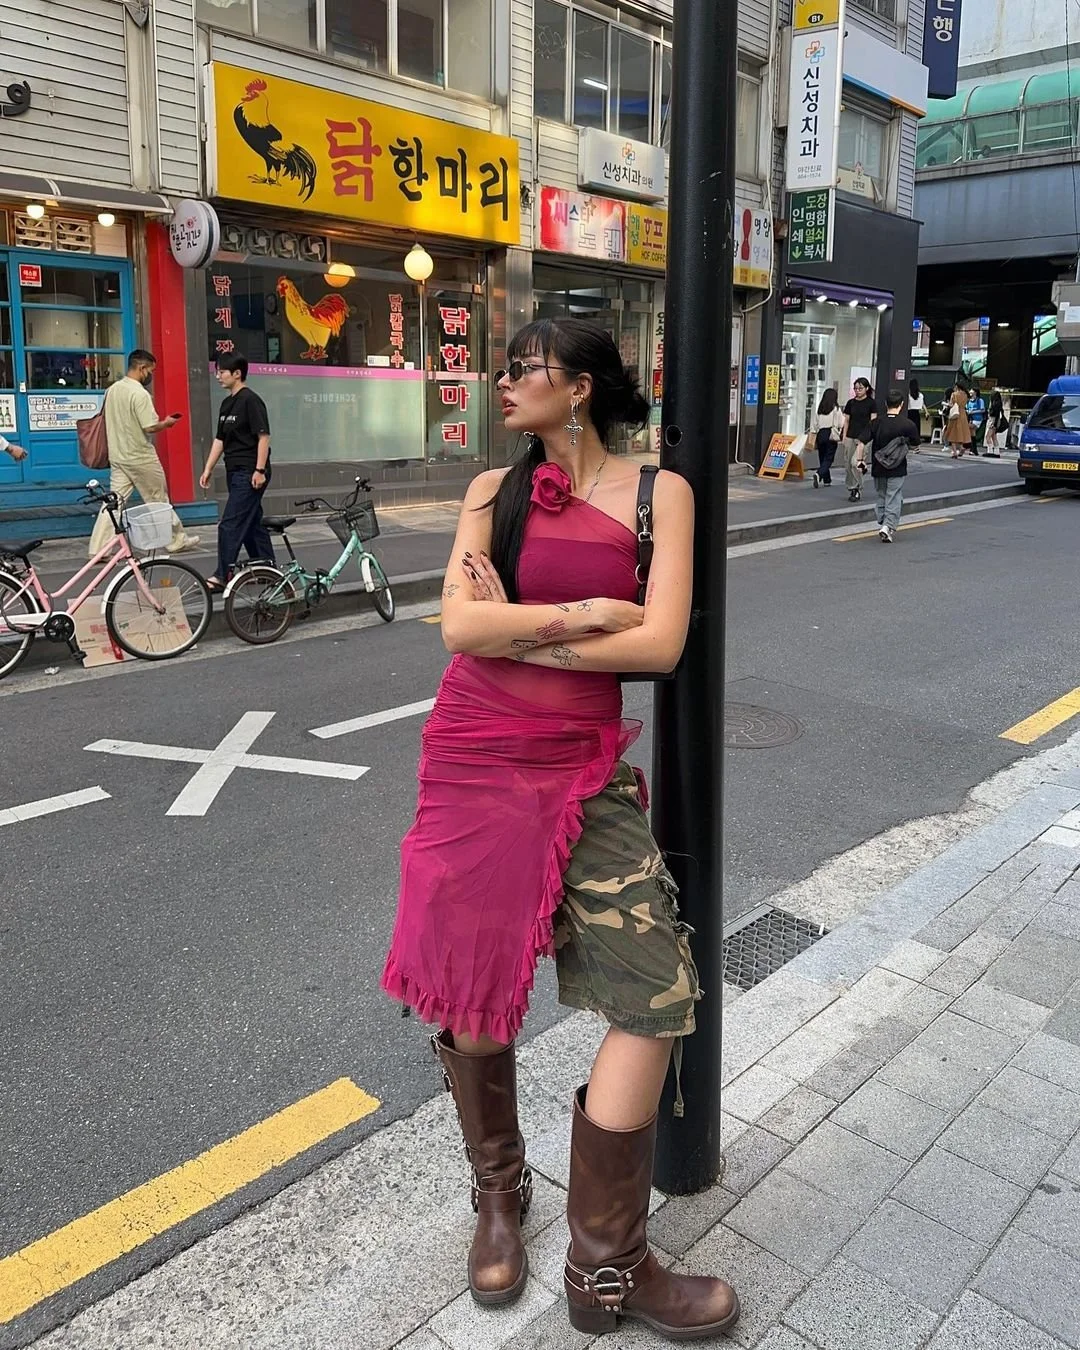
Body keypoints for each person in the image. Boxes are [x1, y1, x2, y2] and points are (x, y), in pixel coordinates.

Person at [381, 317, 739, 1338]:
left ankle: (605, 1261)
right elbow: (459, 628)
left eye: (523, 369)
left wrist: (521, 633)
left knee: (659, 992)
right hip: (473, 759)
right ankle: (499, 1196)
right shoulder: (490, 493)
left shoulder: (659, 495)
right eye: (502, 370)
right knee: (472, 989)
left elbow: (660, 646)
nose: (502, 383)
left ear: (579, 386)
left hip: (582, 771)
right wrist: (588, 614)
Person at [87, 350, 199, 558]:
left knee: (113, 503)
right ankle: (176, 540)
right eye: (150, 371)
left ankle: (99, 549)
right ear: (141, 368)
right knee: (158, 499)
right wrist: (167, 423)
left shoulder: (112, 390)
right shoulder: (139, 394)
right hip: (140, 457)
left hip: (118, 456)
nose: (151, 375)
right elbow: (150, 426)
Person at [200, 355, 275, 593]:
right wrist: (208, 468)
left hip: (250, 471)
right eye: (217, 371)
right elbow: (220, 439)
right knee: (252, 523)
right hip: (234, 470)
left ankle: (222, 575)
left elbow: (263, 437)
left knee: (229, 524)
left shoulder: (251, 400)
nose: (218, 376)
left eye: (222, 372)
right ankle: (268, 571)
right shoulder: (226, 404)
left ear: (237, 374)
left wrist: (259, 470)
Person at [869, 388, 921, 542]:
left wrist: (860, 461)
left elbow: (862, 441)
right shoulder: (908, 424)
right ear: (902, 404)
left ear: (886, 404)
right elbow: (915, 444)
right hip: (897, 467)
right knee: (894, 495)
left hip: (878, 466)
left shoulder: (876, 422)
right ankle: (887, 525)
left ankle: (882, 520)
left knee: (882, 494)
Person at [841, 378, 877, 501]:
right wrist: (844, 436)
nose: (857, 391)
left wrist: (870, 435)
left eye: (860, 388)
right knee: (848, 465)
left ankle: (857, 488)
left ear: (867, 388)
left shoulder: (871, 403)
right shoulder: (851, 403)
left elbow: (873, 421)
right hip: (850, 436)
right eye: (855, 388)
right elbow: (846, 420)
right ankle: (852, 488)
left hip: (864, 438)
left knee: (855, 463)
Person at [811, 387, 844, 487]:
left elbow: (814, 425)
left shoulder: (820, 409)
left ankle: (827, 480)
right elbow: (841, 423)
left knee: (822, 457)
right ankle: (819, 474)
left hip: (820, 434)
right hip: (831, 434)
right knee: (829, 458)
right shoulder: (836, 409)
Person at [945, 383, 972, 457]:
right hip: (963, 414)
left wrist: (946, 404)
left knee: (952, 433)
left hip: (955, 413)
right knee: (961, 433)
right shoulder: (965, 395)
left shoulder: (954, 394)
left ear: (957, 387)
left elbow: (951, 404)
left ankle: (954, 452)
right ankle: (961, 447)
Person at [984, 388, 1007, 456]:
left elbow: (995, 415)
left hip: (993, 421)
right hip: (995, 421)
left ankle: (990, 450)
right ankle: (997, 451)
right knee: (994, 436)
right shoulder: (998, 404)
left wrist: (994, 424)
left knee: (988, 436)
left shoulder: (995, 404)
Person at [967, 384, 986, 454]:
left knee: (968, 429)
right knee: (972, 434)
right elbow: (967, 408)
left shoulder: (980, 400)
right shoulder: (969, 401)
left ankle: (969, 447)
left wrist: (973, 412)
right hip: (971, 419)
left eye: (971, 390)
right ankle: (974, 450)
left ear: (975, 392)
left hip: (977, 419)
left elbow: (983, 410)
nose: (970, 392)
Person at [907, 378, 926, 451]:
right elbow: (923, 404)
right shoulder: (920, 395)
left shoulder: (908, 395)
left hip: (909, 413)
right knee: (916, 429)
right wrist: (926, 412)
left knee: (908, 429)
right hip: (917, 413)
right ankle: (917, 445)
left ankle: (909, 444)